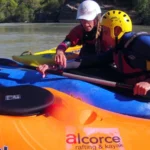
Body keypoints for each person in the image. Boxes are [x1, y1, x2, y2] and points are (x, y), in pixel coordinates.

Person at [37, 0, 102, 74]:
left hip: (100, 61)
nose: (85, 24)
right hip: (84, 59)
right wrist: (60, 52)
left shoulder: (106, 30)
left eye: (88, 20)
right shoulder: (80, 30)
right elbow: (66, 42)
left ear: (97, 18)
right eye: (82, 20)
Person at [99, 10, 150, 96]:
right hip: (133, 91)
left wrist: (148, 83)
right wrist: (69, 63)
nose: (103, 37)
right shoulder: (119, 48)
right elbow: (94, 59)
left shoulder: (141, 42)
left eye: (105, 32)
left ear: (117, 31)